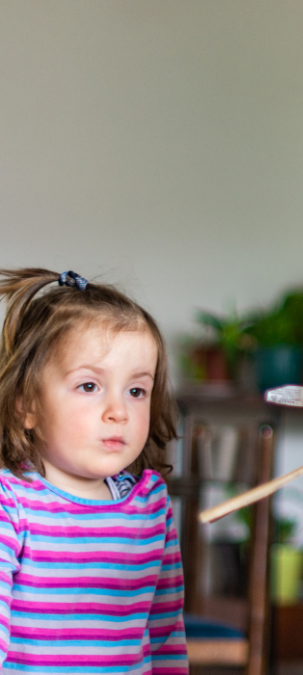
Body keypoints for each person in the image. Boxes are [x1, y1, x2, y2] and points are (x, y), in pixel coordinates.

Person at [0, 269, 187, 673]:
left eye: (136, 391)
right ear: (26, 404)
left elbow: (167, 634)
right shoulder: (11, 502)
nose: (118, 412)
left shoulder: (151, 507)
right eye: (89, 386)